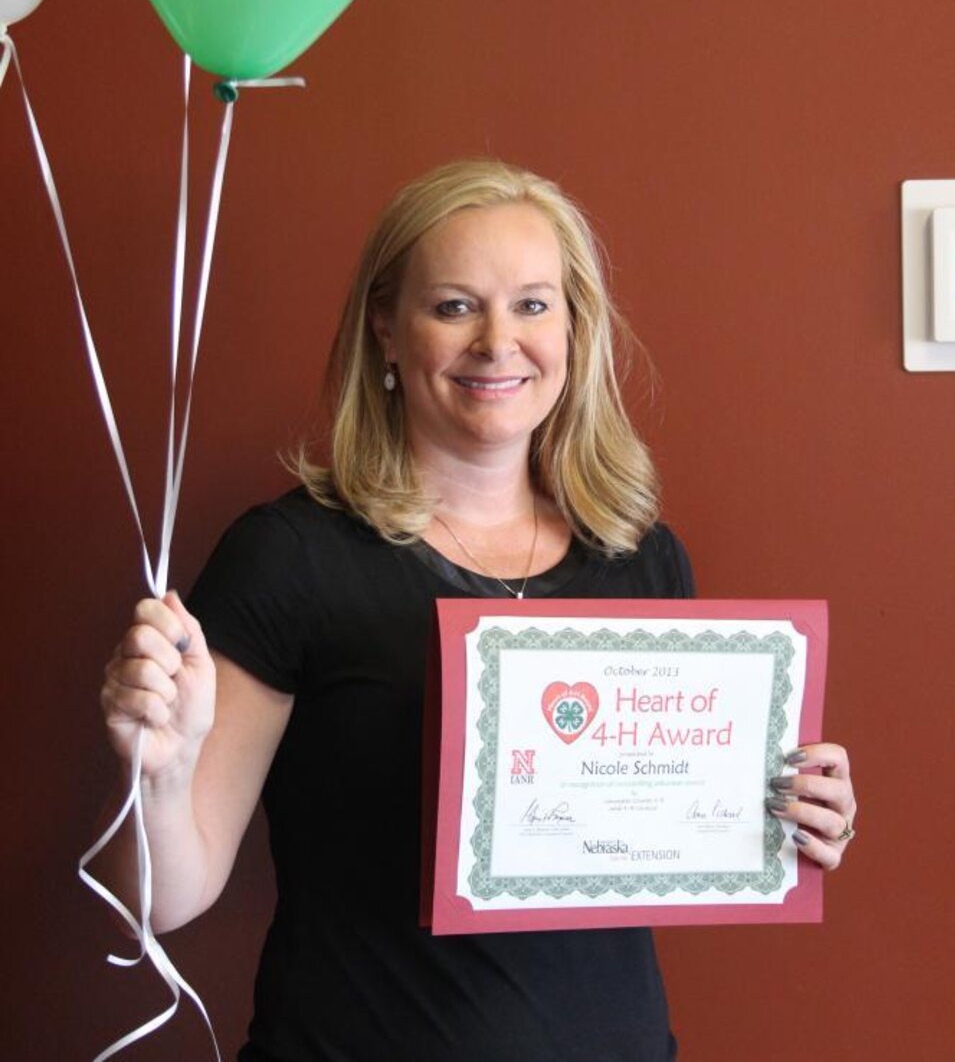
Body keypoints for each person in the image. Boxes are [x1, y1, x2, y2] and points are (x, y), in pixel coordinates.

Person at [99, 159, 857, 1062]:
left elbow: (658, 830)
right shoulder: (289, 557)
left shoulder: (644, 560)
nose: (499, 341)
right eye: (455, 305)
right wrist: (163, 771)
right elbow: (165, 896)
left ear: (575, 327)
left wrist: (793, 812)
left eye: (534, 304)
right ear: (386, 328)